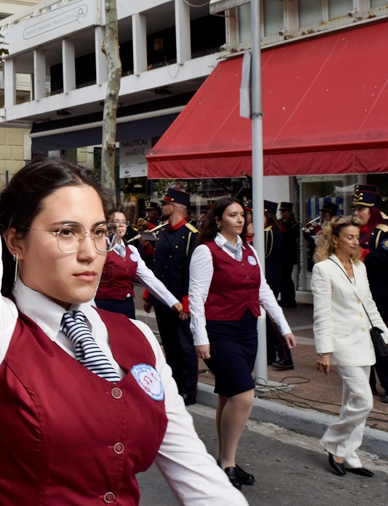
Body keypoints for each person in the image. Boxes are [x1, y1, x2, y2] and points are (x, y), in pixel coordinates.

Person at [0, 0, 253, 506]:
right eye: (64, 232)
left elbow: (198, 479)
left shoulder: (135, 340)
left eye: (99, 232)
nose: (89, 252)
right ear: (14, 240)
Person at [189, 197, 296, 489]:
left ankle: (226, 460)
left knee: (227, 395)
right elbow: (196, 298)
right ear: (218, 219)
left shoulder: (250, 250)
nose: (240, 220)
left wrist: (283, 326)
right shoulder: (205, 251)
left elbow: (263, 291)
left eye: (242, 216)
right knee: (243, 395)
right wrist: (200, 339)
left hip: (248, 330)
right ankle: (228, 464)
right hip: (219, 331)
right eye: (233, 215)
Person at [311, 215, 388, 476]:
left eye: (357, 237)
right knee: (364, 401)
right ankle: (332, 442)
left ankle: (349, 454)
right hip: (341, 343)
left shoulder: (359, 266)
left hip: (364, 342)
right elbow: (322, 313)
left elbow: (369, 305)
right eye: (349, 237)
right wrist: (324, 350)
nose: (355, 241)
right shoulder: (323, 269)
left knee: (352, 399)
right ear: (335, 239)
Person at [149, 188, 200, 405]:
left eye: (166, 204)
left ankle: (189, 389)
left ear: (176, 207)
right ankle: (176, 384)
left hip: (180, 301)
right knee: (169, 345)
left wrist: (186, 303)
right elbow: (156, 267)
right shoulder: (163, 231)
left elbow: (192, 271)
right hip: (163, 301)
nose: (163, 207)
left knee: (185, 347)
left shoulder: (191, 235)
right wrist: (149, 295)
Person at [352, 186, 388, 403]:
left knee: (382, 343)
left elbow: (385, 258)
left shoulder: (384, 232)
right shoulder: (356, 232)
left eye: (362, 208)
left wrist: (357, 252)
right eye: (356, 208)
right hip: (359, 295)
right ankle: (368, 385)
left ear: (373, 210)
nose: (357, 213)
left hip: (380, 296)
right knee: (361, 344)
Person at [95, 208, 181, 321]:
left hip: (127, 306)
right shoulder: (100, 248)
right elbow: (93, 283)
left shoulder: (132, 250)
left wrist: (172, 301)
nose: (121, 225)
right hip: (104, 306)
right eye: (116, 221)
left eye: (124, 222)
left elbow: (148, 278)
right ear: (107, 225)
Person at [304, 202, 339, 271]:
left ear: (331, 214)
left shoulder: (336, 226)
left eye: (325, 212)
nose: (323, 214)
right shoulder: (318, 224)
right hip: (316, 254)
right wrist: (307, 227)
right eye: (323, 212)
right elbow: (307, 236)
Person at [278, 202, 300, 308]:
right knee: (282, 277)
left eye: (284, 211)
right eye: (281, 211)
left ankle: (290, 299)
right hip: (281, 254)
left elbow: (291, 236)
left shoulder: (294, 224)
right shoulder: (280, 222)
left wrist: (282, 227)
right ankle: (283, 298)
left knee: (287, 277)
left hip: (289, 254)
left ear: (289, 212)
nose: (282, 213)